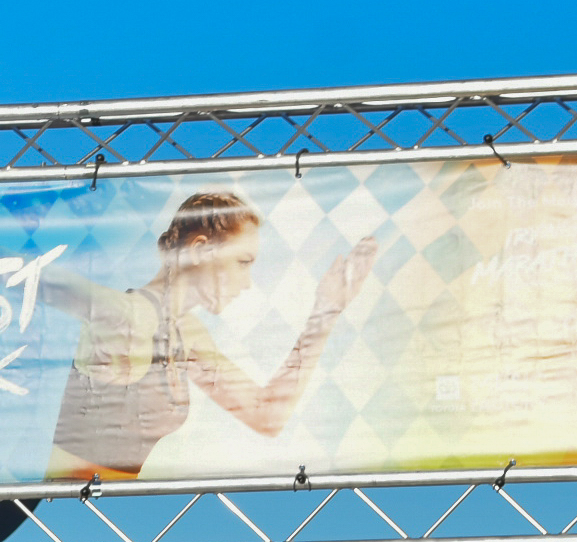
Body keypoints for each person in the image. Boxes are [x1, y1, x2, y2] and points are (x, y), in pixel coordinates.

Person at [41, 192, 377, 479]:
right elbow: (41, 280)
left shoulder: (187, 332)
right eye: (243, 262)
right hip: (50, 510)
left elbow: (266, 414)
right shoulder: (132, 314)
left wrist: (325, 312)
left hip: (96, 513)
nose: (246, 283)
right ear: (201, 250)